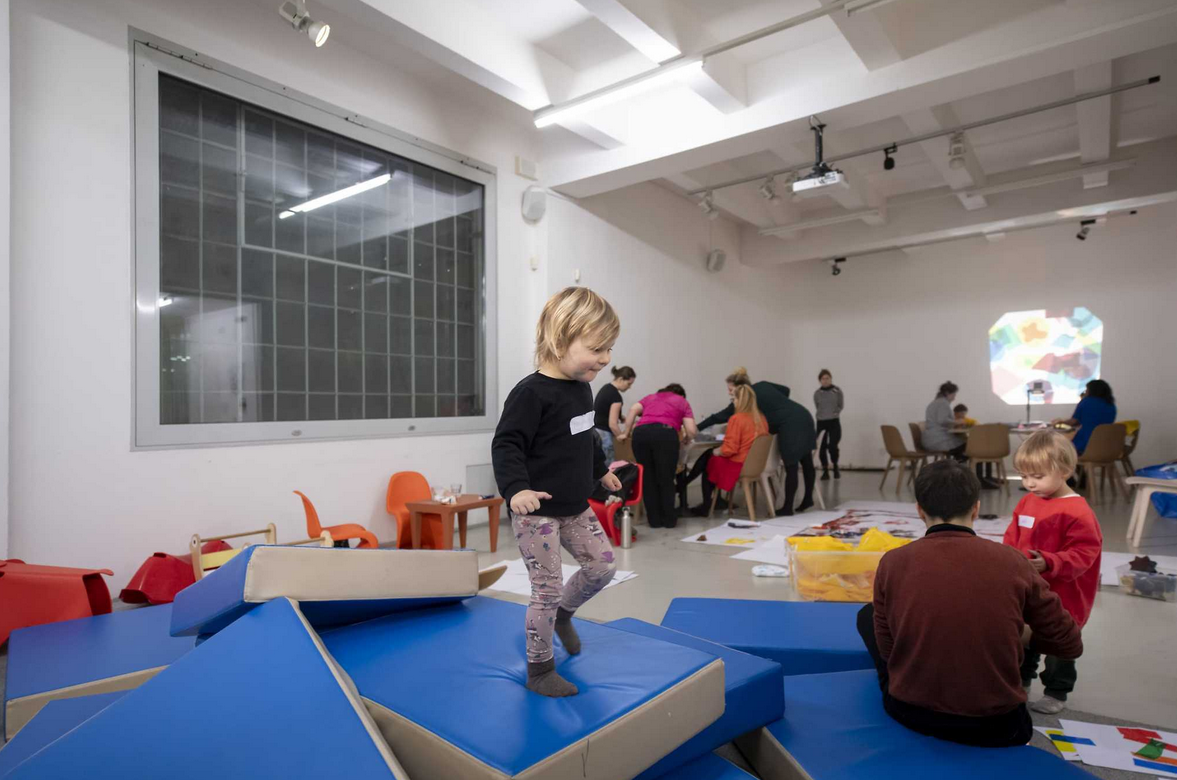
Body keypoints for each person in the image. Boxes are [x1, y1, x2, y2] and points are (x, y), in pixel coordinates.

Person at [857, 460, 1083, 747]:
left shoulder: (893, 562)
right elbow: (1069, 644)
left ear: (919, 510)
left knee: (867, 615)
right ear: (976, 509)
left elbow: (889, 651)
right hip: (1000, 726)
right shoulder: (1013, 562)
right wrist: (1023, 635)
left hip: (911, 713)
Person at [492, 287, 623, 698]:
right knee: (546, 588)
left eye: (609, 349)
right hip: (538, 512)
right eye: (597, 349)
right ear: (560, 339)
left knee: (602, 567)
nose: (605, 358)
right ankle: (540, 670)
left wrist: (601, 472)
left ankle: (565, 615)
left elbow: (585, 437)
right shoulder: (531, 394)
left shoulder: (582, 387)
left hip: (575, 506)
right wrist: (516, 490)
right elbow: (507, 444)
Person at [1004, 431, 1102, 714]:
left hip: (1064, 596)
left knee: (1059, 646)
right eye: (1024, 476)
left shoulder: (1078, 512)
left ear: (1065, 471)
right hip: (1028, 590)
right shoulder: (1027, 501)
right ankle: (1020, 684)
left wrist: (1050, 562)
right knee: (1023, 639)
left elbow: (1084, 554)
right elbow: (1012, 537)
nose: (1029, 483)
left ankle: (1057, 692)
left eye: (1037, 476)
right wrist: (1006, 560)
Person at [694, 368, 815, 514]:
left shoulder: (747, 400)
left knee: (791, 466)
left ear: (740, 388)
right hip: (803, 415)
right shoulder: (763, 385)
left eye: (731, 389)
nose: (729, 393)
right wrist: (778, 406)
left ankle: (787, 507)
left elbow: (717, 417)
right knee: (806, 460)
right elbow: (786, 390)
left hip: (789, 424)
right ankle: (808, 498)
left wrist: (696, 428)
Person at [623, 384, 697, 529]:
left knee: (648, 478)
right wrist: (687, 438)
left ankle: (654, 521)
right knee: (666, 478)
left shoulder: (650, 397)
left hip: (640, 434)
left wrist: (626, 432)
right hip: (665, 434)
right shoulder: (681, 401)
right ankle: (669, 520)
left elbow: (633, 410)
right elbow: (692, 430)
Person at [690, 383, 769, 516]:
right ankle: (691, 487)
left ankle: (705, 504)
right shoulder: (761, 418)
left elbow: (730, 450)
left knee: (710, 461)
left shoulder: (737, 419)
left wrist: (717, 451)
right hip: (756, 465)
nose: (733, 403)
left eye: (734, 399)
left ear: (741, 400)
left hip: (738, 465)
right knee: (709, 456)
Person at [1055, 379, 1116, 455]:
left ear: (1091, 390)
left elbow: (1074, 422)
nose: (1085, 391)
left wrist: (1061, 422)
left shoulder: (1086, 402)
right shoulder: (1111, 405)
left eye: (1086, 389)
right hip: (1106, 445)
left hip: (1086, 444)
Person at [593, 366, 635, 462]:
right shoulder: (616, 396)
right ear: (620, 379)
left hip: (595, 431)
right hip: (604, 434)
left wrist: (621, 417)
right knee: (608, 465)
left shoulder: (606, 388)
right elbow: (612, 424)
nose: (629, 387)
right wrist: (621, 436)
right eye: (629, 384)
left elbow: (604, 410)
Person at [814, 369, 844, 481]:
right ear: (820, 380)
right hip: (821, 422)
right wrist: (823, 415)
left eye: (827, 378)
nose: (825, 380)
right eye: (823, 379)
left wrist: (834, 413)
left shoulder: (837, 391)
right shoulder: (817, 393)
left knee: (832, 446)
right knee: (821, 447)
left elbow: (840, 405)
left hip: (834, 422)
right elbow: (818, 406)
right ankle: (825, 471)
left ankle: (835, 466)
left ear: (831, 379)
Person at [923, 381, 966, 458]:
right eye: (954, 395)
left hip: (931, 439)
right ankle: (962, 465)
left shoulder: (936, 402)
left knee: (964, 444)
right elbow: (942, 420)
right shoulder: (943, 403)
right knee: (969, 445)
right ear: (947, 393)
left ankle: (958, 463)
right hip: (938, 441)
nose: (954, 398)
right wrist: (957, 422)